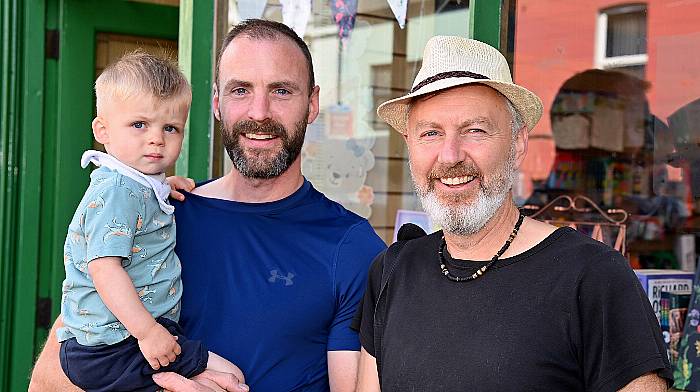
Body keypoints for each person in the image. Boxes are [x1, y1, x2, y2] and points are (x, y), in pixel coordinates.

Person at [30, 19, 386, 392]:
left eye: (281, 90)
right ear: (217, 103)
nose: (259, 111)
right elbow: (49, 382)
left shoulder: (353, 250)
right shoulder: (158, 214)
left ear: (312, 104)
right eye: (240, 90)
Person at [353, 36, 672, 391]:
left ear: (517, 143)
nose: (450, 155)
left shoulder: (593, 276)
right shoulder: (391, 271)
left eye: (475, 130)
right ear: (410, 147)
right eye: (431, 133)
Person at [54, 51, 243, 392]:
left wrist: (162, 187)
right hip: (115, 345)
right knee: (230, 378)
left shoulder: (136, 185)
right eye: (139, 124)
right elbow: (104, 268)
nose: (156, 138)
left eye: (170, 127)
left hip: (122, 339)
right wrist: (148, 332)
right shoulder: (117, 190)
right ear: (103, 130)